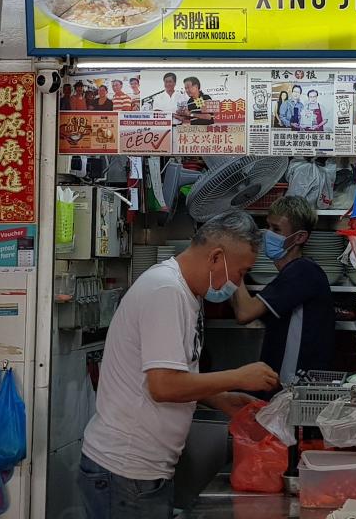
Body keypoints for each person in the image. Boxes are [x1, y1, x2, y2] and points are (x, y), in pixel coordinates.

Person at [79, 211, 279, 519]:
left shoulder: (185, 294)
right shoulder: (166, 291)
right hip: (125, 471)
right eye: (241, 273)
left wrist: (220, 399)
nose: (238, 283)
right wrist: (237, 377)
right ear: (216, 257)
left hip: (141, 472)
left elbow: (173, 374)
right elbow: (163, 386)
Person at [230, 196, 335, 386]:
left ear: (300, 237)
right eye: (268, 226)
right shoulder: (290, 274)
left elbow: (245, 313)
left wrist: (231, 263)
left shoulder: (302, 272)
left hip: (293, 388)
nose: (267, 234)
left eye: (276, 229)